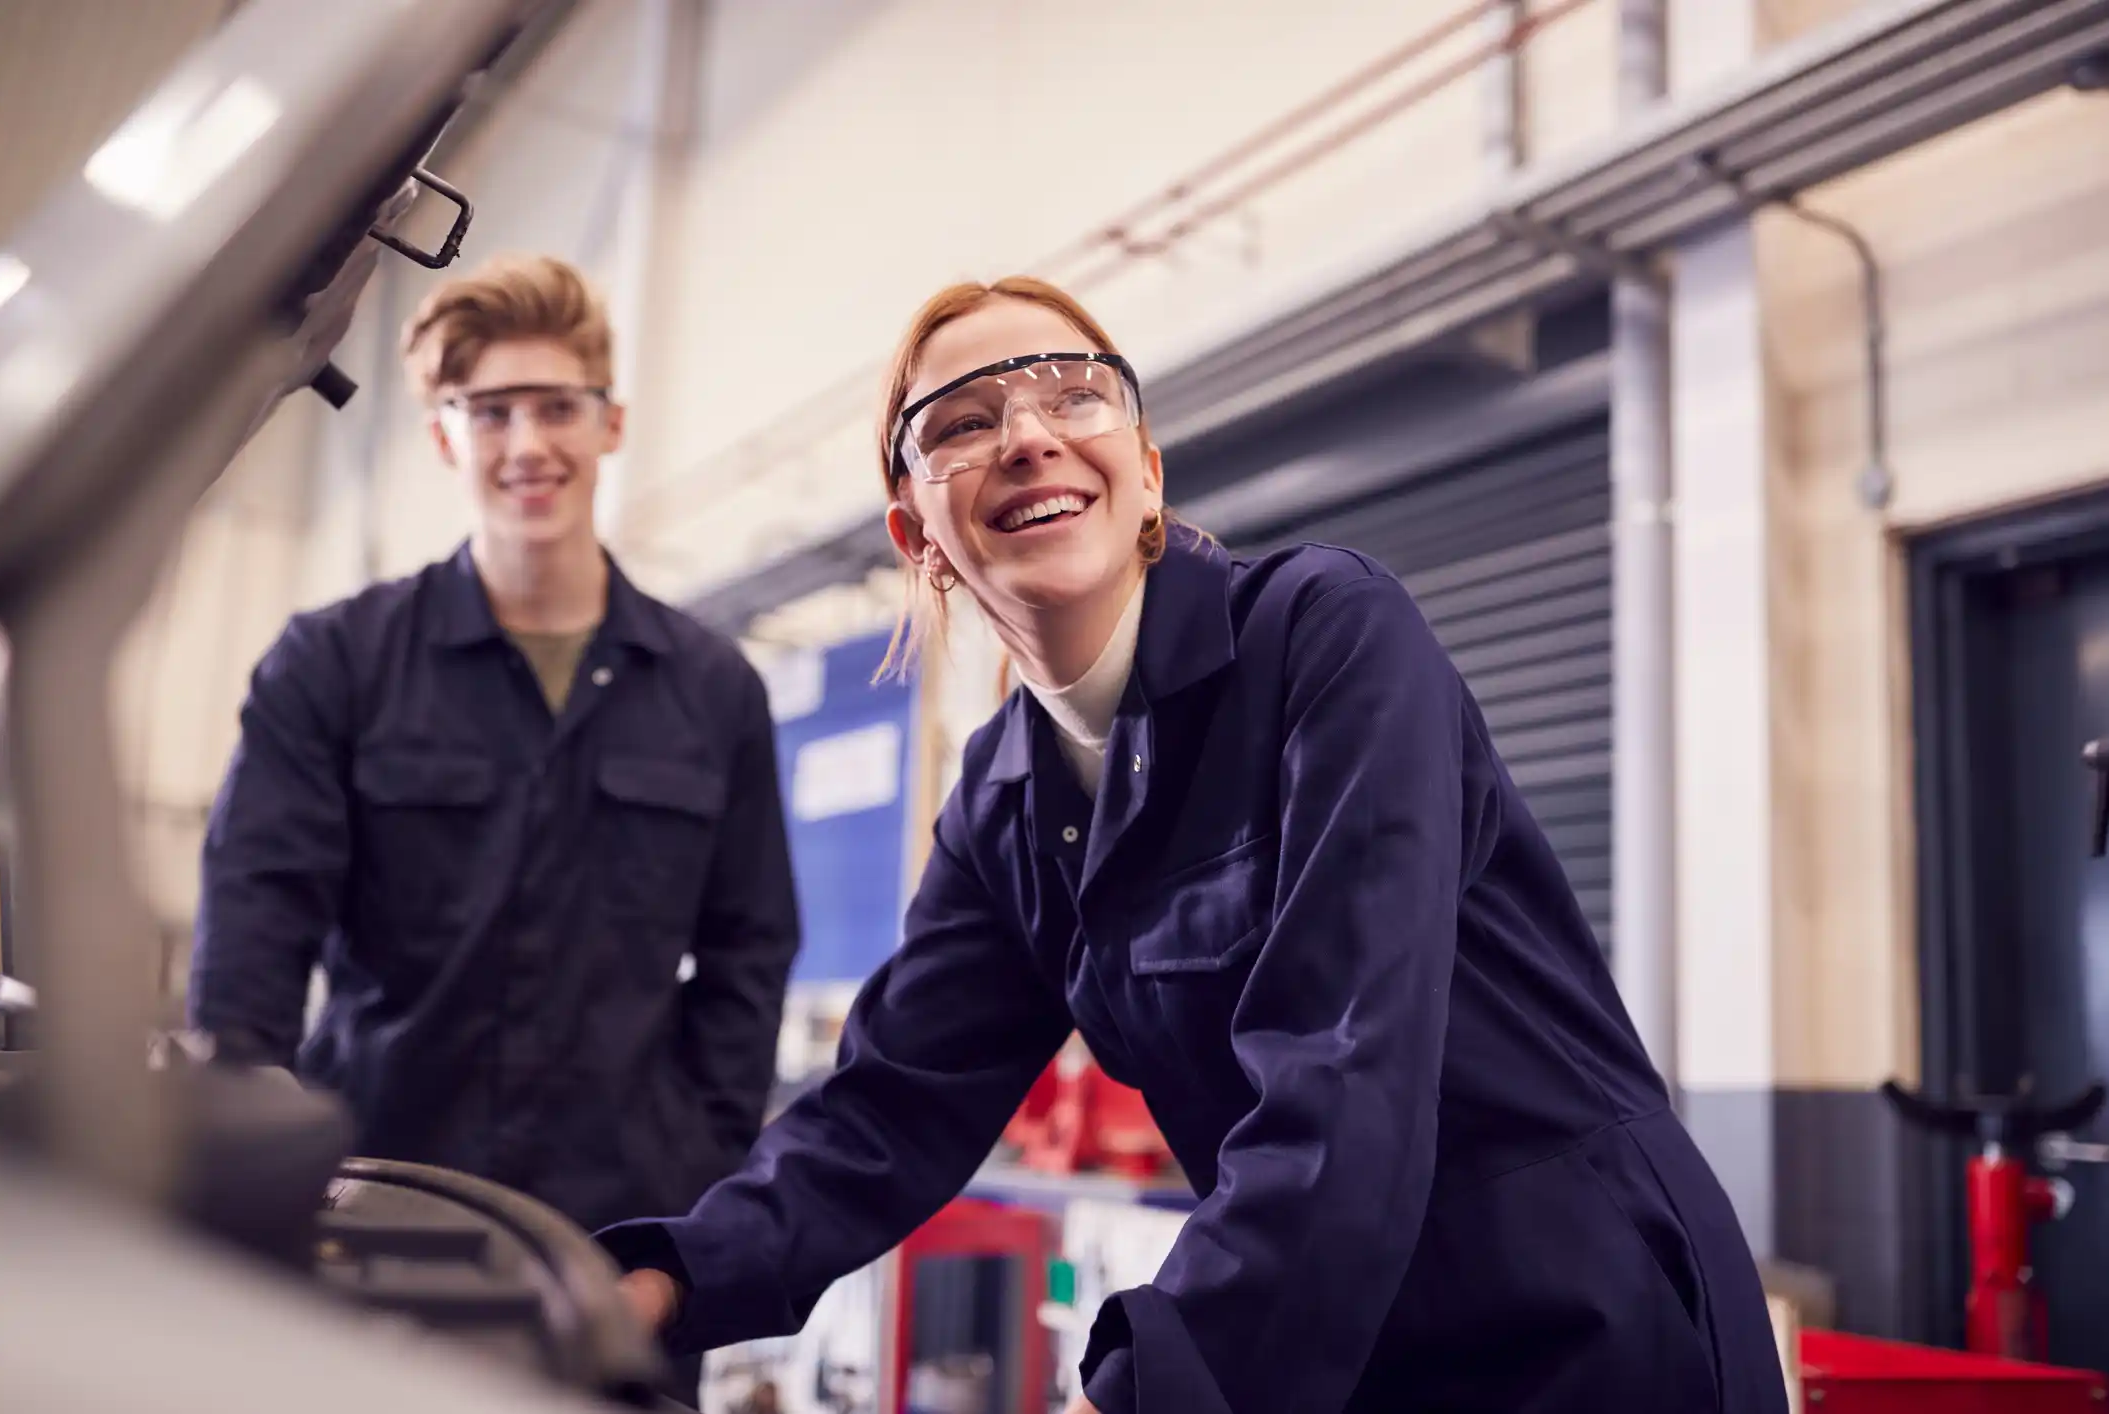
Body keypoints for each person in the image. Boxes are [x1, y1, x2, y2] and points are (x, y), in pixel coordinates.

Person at [596, 275, 1789, 1414]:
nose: (1028, 435)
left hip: (1581, 1314)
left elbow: (1345, 1061)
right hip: (1342, 1345)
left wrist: (1151, 1381)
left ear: (1148, 475)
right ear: (920, 536)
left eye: (1074, 393)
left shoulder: (1325, 635)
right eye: (962, 420)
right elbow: (886, 1112)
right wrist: (663, 1281)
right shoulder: (1005, 802)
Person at [187, 253, 801, 1290]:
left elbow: (749, 952)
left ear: (609, 422)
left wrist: (693, 1168)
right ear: (443, 435)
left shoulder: (713, 689)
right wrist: (254, 1177)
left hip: (618, 1246)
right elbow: (251, 942)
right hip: (370, 1221)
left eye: (557, 407)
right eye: (491, 412)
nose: (528, 445)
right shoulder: (334, 664)